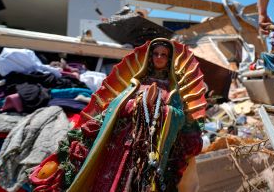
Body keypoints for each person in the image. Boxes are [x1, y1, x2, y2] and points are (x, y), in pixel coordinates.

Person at [29, 39, 205, 192]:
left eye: (163, 55)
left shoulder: (173, 90)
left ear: (169, 59)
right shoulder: (137, 83)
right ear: (150, 57)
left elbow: (179, 117)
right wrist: (136, 104)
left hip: (151, 148)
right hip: (121, 144)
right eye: (155, 54)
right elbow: (116, 105)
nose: (158, 58)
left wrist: (160, 110)